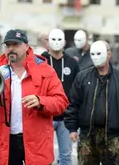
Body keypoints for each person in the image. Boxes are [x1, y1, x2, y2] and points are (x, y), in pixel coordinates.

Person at [0, 29, 69, 165]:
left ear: (26, 47)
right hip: (5, 142)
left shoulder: (45, 70)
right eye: (8, 45)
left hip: (36, 142)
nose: (11, 49)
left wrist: (40, 101)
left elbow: (61, 102)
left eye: (16, 44)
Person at [64, 40, 119, 165]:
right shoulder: (82, 77)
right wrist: (72, 128)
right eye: (93, 54)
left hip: (113, 136)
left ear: (108, 54)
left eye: (99, 53)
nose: (96, 57)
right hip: (87, 135)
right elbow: (73, 103)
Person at [41, 29, 79, 165]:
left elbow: (77, 90)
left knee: (66, 156)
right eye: (53, 39)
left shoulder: (73, 63)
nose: (56, 43)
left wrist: (75, 114)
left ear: (64, 42)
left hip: (66, 117)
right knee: (43, 156)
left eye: (59, 39)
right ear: (48, 42)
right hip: (45, 116)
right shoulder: (40, 61)